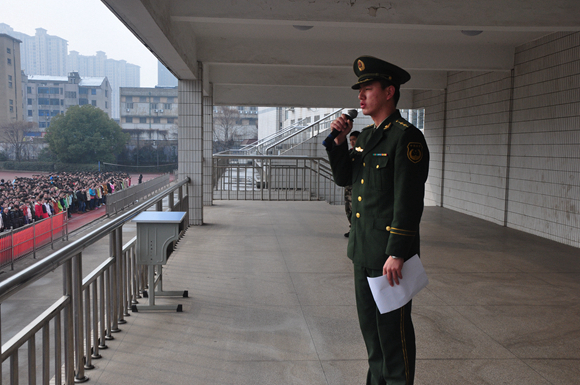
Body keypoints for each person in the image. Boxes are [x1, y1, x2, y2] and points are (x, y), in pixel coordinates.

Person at [326, 56, 430, 385]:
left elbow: (408, 200)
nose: (361, 96)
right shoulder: (368, 137)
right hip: (363, 251)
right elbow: (346, 177)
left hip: (388, 256)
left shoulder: (406, 138)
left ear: (389, 92)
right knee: (371, 333)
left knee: (393, 336)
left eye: (367, 89)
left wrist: (398, 252)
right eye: (359, 90)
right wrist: (339, 142)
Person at [343, 130, 360, 237]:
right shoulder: (349, 153)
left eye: (354, 139)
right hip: (349, 185)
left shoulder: (363, 153)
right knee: (348, 207)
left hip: (358, 185)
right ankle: (352, 228)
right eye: (350, 140)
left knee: (357, 208)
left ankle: (357, 230)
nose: (352, 142)